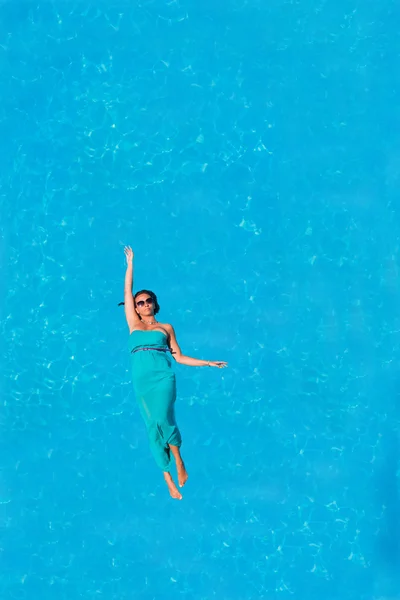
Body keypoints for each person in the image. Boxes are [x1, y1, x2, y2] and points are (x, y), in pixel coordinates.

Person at [122, 246, 228, 500]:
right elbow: (127, 290)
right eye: (140, 302)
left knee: (161, 418)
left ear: (155, 304)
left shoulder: (166, 327)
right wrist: (130, 264)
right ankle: (167, 478)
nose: (144, 304)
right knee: (151, 425)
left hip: (163, 378)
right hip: (142, 380)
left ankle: (178, 459)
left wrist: (207, 362)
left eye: (148, 301)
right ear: (135, 307)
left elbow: (178, 356)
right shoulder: (133, 324)